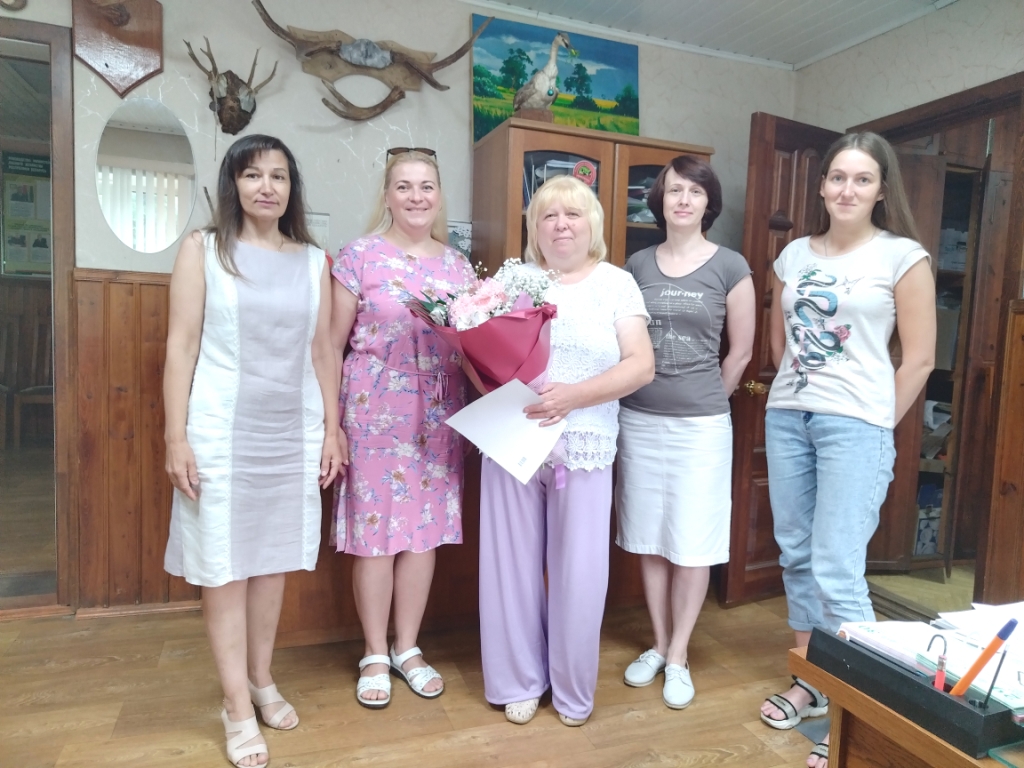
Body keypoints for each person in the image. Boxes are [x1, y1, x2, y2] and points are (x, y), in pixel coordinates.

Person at [758, 132, 936, 768]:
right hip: (789, 419)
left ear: (882, 190)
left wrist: (875, 420)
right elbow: (780, 344)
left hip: (856, 427)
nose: (847, 189)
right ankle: (812, 681)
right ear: (822, 185)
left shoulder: (902, 257)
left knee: (837, 566)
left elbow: (919, 359)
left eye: (862, 179)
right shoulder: (792, 256)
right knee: (796, 554)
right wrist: (797, 390)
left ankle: (857, 716)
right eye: (837, 177)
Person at [163, 134, 341, 768]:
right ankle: (236, 704)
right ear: (232, 184)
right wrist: (175, 436)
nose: (268, 186)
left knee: (271, 562)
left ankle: (262, 677)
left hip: (292, 432)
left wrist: (333, 428)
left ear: (292, 188)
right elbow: (182, 345)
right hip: (220, 432)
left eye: (279, 176)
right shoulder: (203, 249)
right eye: (253, 175)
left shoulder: (314, 261)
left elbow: (323, 352)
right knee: (224, 566)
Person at [478, 174, 655, 727]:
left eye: (572, 214)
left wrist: (574, 396)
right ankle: (519, 681)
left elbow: (640, 365)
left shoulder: (617, 284)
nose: (560, 225)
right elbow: (476, 351)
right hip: (512, 440)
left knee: (580, 573)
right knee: (509, 568)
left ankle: (573, 691)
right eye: (548, 215)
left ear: (592, 224)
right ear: (534, 227)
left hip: (584, 443)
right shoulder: (512, 280)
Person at [330, 148, 475, 708]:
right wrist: (331, 424)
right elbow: (330, 345)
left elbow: (473, 345)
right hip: (373, 410)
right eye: (405, 186)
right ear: (387, 195)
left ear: (439, 196)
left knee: (423, 533)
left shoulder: (459, 267)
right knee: (375, 535)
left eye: (427, 186)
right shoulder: (359, 256)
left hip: (439, 413)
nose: (417, 196)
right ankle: (373, 652)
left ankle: (407, 647)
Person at [615, 156, 756, 709]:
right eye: (674, 190)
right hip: (639, 419)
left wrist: (706, 398)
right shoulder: (637, 265)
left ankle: (678, 655)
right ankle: (657, 642)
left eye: (694, 192)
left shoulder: (731, 266)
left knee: (692, 541)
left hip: (701, 427)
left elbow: (740, 351)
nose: (683, 200)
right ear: (660, 200)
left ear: (707, 203)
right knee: (650, 535)